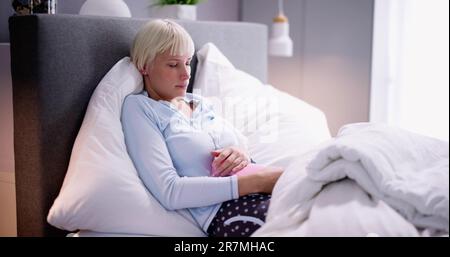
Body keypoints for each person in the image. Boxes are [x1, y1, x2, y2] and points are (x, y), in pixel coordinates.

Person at [121, 19, 283, 237]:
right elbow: (170, 191)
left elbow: (241, 144)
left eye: (187, 62)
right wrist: (256, 182)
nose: (186, 74)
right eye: (173, 64)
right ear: (144, 66)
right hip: (228, 208)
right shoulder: (140, 108)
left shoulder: (200, 103)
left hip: (267, 186)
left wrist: (240, 153)